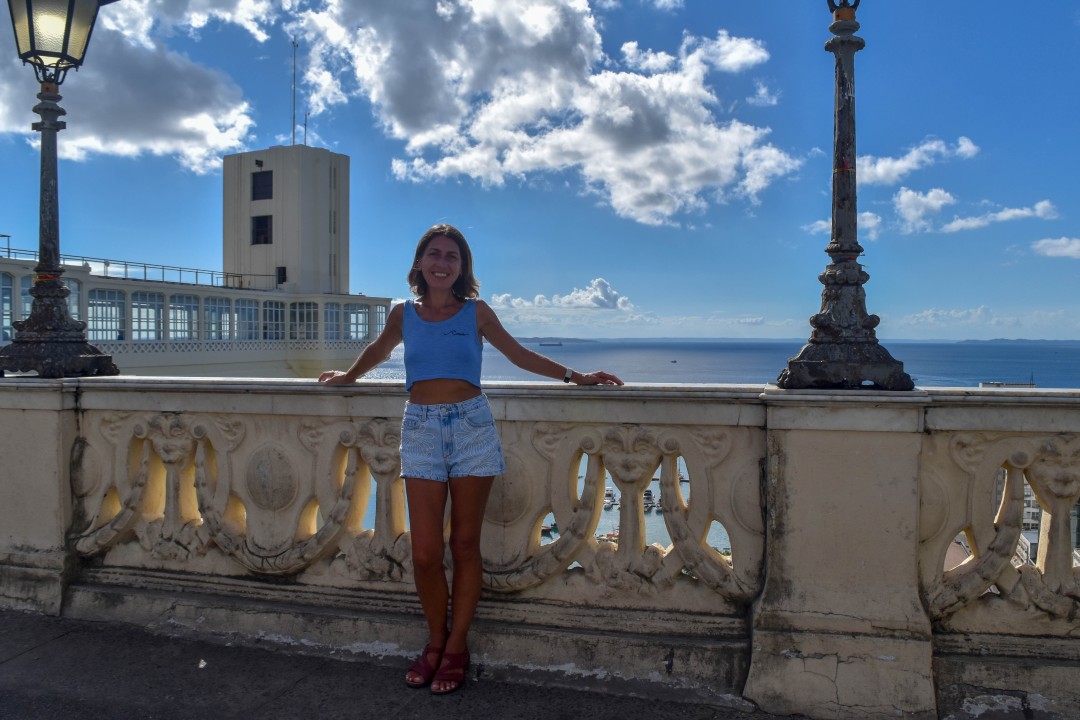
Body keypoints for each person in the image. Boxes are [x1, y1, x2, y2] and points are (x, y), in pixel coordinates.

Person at [319, 223, 623, 695]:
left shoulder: (476, 312)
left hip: (471, 427)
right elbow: (379, 350)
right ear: (420, 263)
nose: (443, 263)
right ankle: (435, 640)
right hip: (419, 426)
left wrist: (575, 376)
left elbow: (519, 355)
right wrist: (349, 376)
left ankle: (455, 647)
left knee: (463, 545)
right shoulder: (403, 313)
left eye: (452, 257)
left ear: (462, 268)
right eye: (435, 254)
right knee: (424, 553)